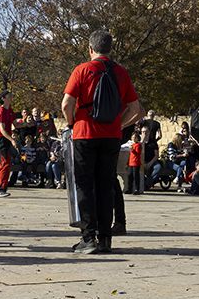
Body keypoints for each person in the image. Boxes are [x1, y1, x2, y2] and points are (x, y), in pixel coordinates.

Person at [62, 29, 143, 254]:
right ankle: (105, 238)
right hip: (111, 136)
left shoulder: (82, 70)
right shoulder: (121, 72)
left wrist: (72, 123)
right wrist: (119, 124)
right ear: (110, 48)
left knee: (85, 186)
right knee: (106, 186)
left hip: (85, 133)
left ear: (90, 49)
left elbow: (66, 104)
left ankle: (88, 238)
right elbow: (136, 109)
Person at [0, 91, 17, 198]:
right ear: (3, 98)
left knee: (5, 163)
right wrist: (12, 139)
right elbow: (2, 129)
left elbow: (14, 124)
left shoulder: (9, 110)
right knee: (4, 163)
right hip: (1, 140)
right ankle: (0, 189)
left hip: (6, 139)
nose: (11, 97)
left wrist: (27, 123)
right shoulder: (0, 112)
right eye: (9, 96)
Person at [125, 130, 144, 195]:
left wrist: (132, 149)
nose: (133, 138)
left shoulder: (138, 145)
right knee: (130, 176)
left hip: (136, 163)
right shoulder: (132, 145)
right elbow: (130, 155)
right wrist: (127, 163)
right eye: (132, 137)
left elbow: (138, 153)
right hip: (131, 163)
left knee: (136, 176)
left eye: (135, 137)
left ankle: (137, 189)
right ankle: (129, 189)